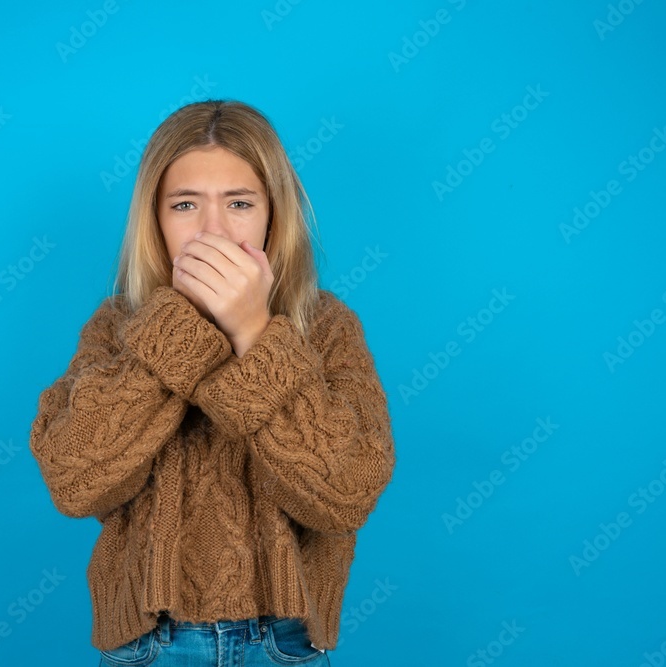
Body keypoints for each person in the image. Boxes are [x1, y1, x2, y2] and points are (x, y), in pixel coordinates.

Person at [29, 99, 396, 666]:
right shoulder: (118, 327)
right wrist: (176, 330)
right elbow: (74, 481)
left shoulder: (325, 328)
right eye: (185, 205)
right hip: (149, 643)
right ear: (154, 220)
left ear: (274, 215)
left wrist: (255, 332)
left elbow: (346, 495)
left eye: (240, 203)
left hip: (283, 643)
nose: (212, 230)